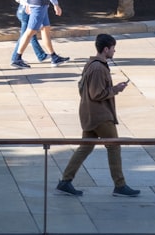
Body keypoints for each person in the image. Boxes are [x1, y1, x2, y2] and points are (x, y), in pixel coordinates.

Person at [55, 33, 140, 198]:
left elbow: (83, 88)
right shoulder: (98, 67)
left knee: (85, 147)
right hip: (100, 115)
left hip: (90, 113)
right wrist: (115, 89)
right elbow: (96, 94)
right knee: (114, 146)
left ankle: (65, 181)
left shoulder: (92, 64)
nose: (114, 51)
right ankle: (120, 185)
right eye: (113, 48)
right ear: (106, 49)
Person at [11, 0, 47, 64]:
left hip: (20, 10)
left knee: (30, 35)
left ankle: (41, 55)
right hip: (27, 11)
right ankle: (15, 58)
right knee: (26, 35)